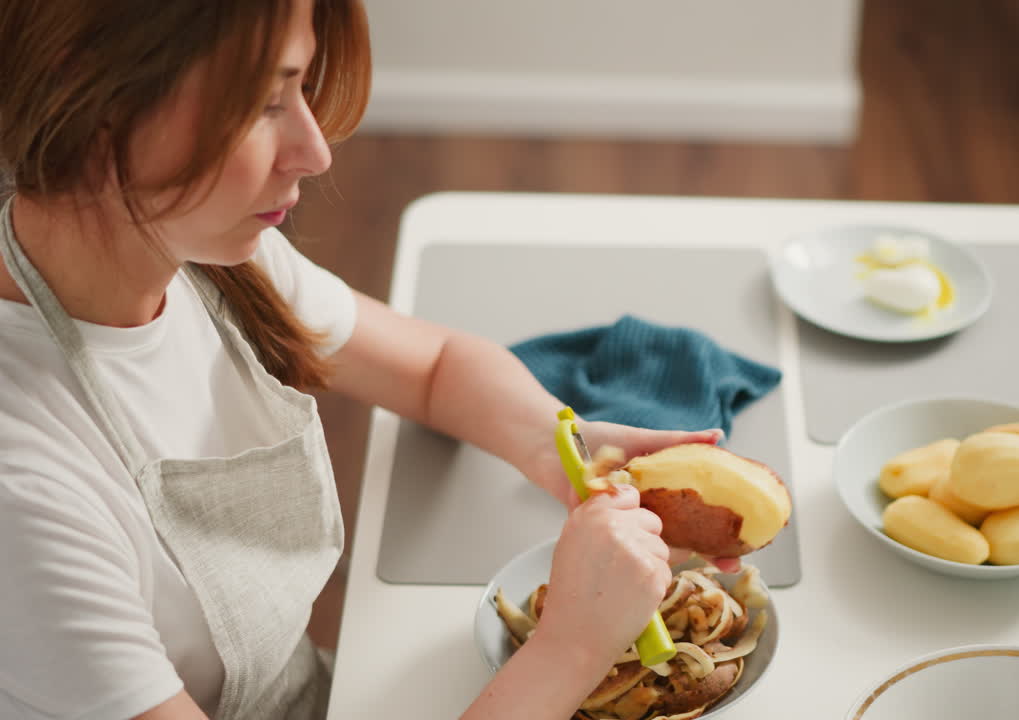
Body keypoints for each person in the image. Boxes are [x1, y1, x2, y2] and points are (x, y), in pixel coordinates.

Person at [0, 2, 735, 719]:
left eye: (300, 88)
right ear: (91, 98)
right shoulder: (25, 499)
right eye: (261, 102)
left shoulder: (202, 263)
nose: (315, 150)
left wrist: (578, 455)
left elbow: (436, 366)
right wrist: (572, 646)